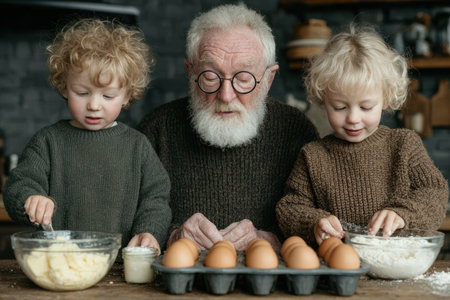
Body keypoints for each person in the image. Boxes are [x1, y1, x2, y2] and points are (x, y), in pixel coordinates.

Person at [136, 4, 318, 251]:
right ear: (191, 72)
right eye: (210, 77)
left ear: (268, 79)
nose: (226, 94)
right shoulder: (155, 131)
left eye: (243, 79)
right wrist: (173, 237)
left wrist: (270, 241)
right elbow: (131, 225)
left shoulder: (298, 132)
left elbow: (319, 225)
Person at [3, 19, 172, 254]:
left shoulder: (137, 146)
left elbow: (155, 198)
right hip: (57, 263)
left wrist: (149, 231)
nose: (94, 105)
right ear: (64, 87)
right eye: (82, 93)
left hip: (118, 270)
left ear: (126, 95)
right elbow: (17, 185)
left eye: (108, 96)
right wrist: (31, 198)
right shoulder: (48, 141)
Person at [276, 24, 449, 248]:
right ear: (324, 100)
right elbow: (290, 207)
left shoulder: (403, 145)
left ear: (385, 99)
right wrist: (314, 222)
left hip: (395, 264)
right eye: (339, 107)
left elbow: (435, 192)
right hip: (337, 268)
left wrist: (403, 214)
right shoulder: (313, 156)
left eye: (366, 107)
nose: (353, 118)